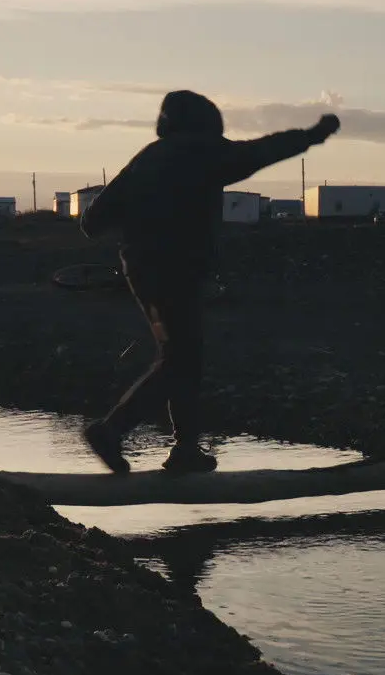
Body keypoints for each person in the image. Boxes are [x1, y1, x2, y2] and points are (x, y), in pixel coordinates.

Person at [80, 91, 339, 474]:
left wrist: (143, 216)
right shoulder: (201, 151)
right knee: (182, 358)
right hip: (177, 270)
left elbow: (92, 222)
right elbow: (260, 151)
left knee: (181, 357)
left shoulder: (149, 156)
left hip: (142, 270)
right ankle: (112, 430)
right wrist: (313, 135)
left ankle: (185, 450)